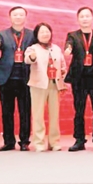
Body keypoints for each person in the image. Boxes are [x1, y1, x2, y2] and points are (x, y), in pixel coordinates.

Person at [63, 7, 93, 152]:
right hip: (79, 79)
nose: (85, 19)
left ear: (92, 18)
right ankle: (79, 140)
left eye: (87, 16)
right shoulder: (73, 35)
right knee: (79, 110)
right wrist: (68, 49)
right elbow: (68, 44)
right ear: (78, 19)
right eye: (82, 16)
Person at [0, 6, 34, 151]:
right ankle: (8, 141)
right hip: (6, 78)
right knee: (7, 112)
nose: (18, 17)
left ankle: (24, 141)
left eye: (21, 15)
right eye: (15, 15)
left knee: (25, 111)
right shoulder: (1, 34)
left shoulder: (32, 34)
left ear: (25, 17)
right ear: (10, 17)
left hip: (26, 78)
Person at [24, 23, 67, 151]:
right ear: (36, 35)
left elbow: (63, 66)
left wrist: (62, 82)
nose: (45, 34)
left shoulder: (56, 48)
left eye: (47, 31)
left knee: (54, 115)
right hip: (38, 85)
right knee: (38, 115)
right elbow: (27, 59)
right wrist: (32, 57)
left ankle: (54, 142)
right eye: (42, 32)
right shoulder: (33, 48)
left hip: (54, 84)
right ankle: (39, 142)